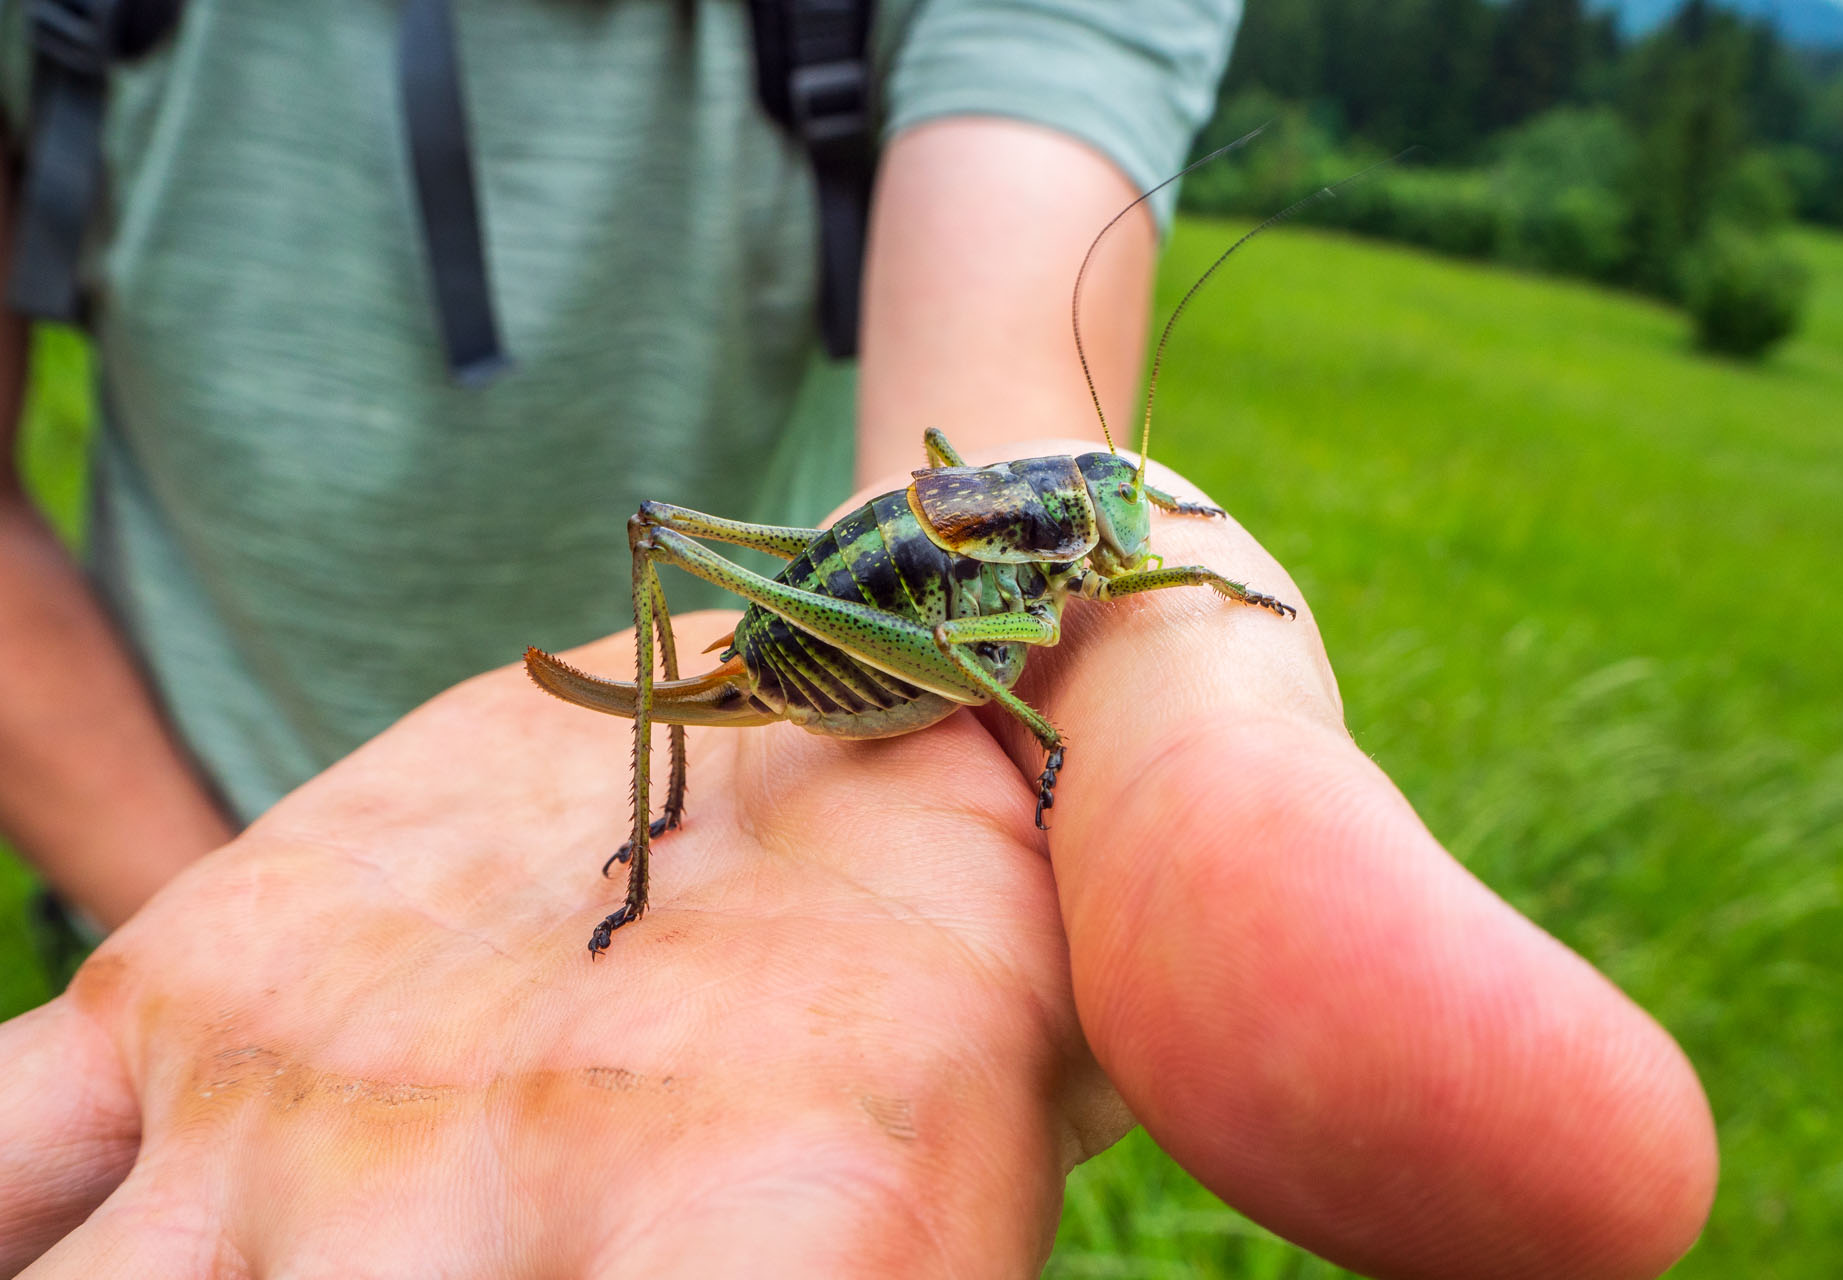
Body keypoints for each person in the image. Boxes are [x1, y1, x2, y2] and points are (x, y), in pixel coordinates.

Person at [0, 1, 1718, 1275]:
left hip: (871, 610)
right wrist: (1049, 733)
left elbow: (1019, 386)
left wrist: (1156, 558)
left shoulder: (1076, 511)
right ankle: (652, 815)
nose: (1122, 546)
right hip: (823, 656)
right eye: (1106, 527)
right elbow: (1017, 654)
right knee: (735, 557)